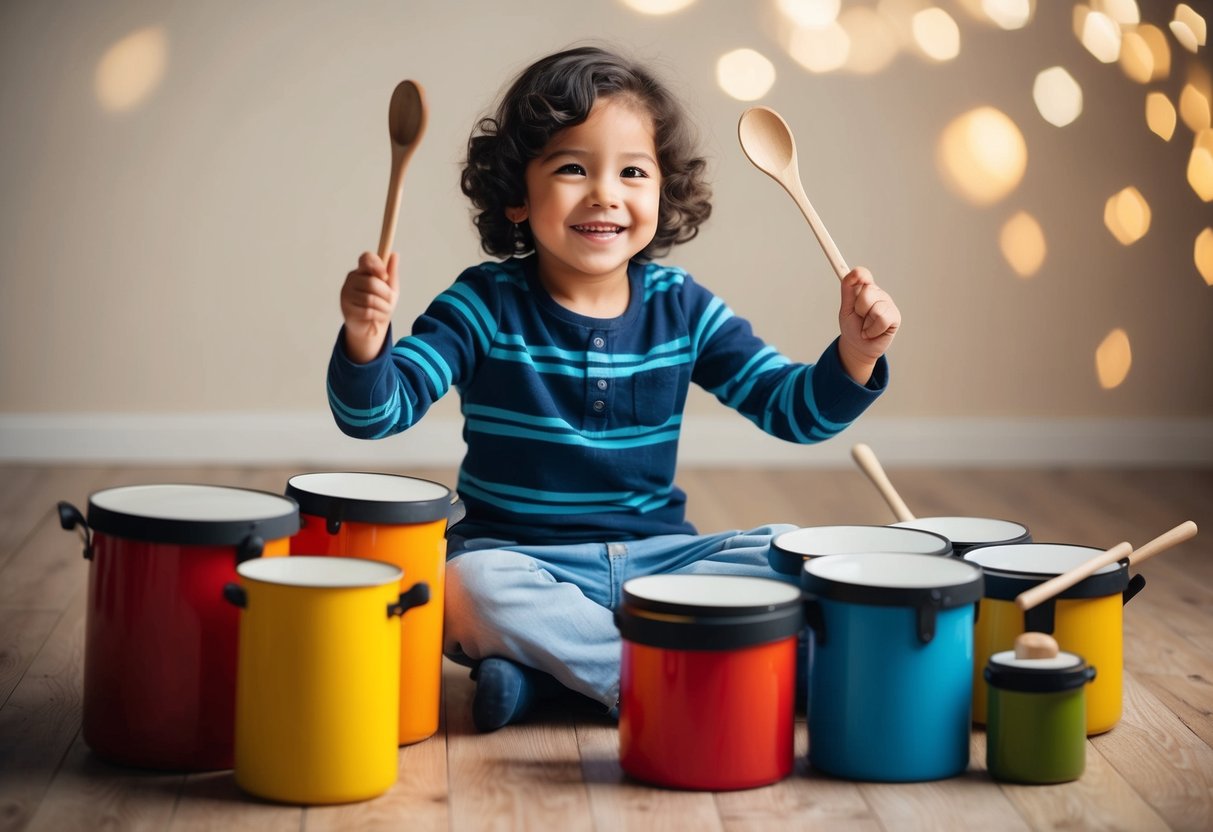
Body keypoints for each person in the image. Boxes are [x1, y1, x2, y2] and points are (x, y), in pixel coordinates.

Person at [329, 45, 901, 732]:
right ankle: (682, 678)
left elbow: (794, 414)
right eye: (572, 168)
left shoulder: (682, 307)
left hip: (663, 562)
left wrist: (856, 354)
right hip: (520, 562)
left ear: (663, 193)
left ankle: (555, 679)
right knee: (462, 587)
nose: (604, 192)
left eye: (632, 171)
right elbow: (376, 414)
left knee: (792, 548)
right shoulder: (483, 304)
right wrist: (366, 340)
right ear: (517, 195)